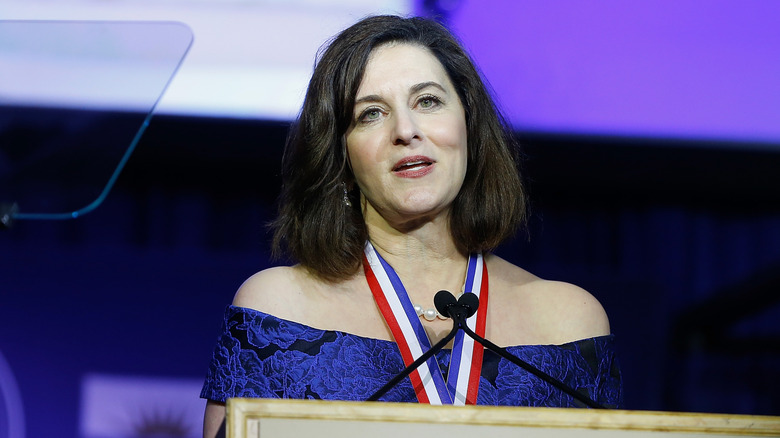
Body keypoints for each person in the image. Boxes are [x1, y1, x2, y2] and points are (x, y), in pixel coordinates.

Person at [201, 14, 622, 437]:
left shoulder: (569, 322)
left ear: (469, 127)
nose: (405, 130)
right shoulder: (277, 312)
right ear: (341, 159)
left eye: (428, 101)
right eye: (371, 114)